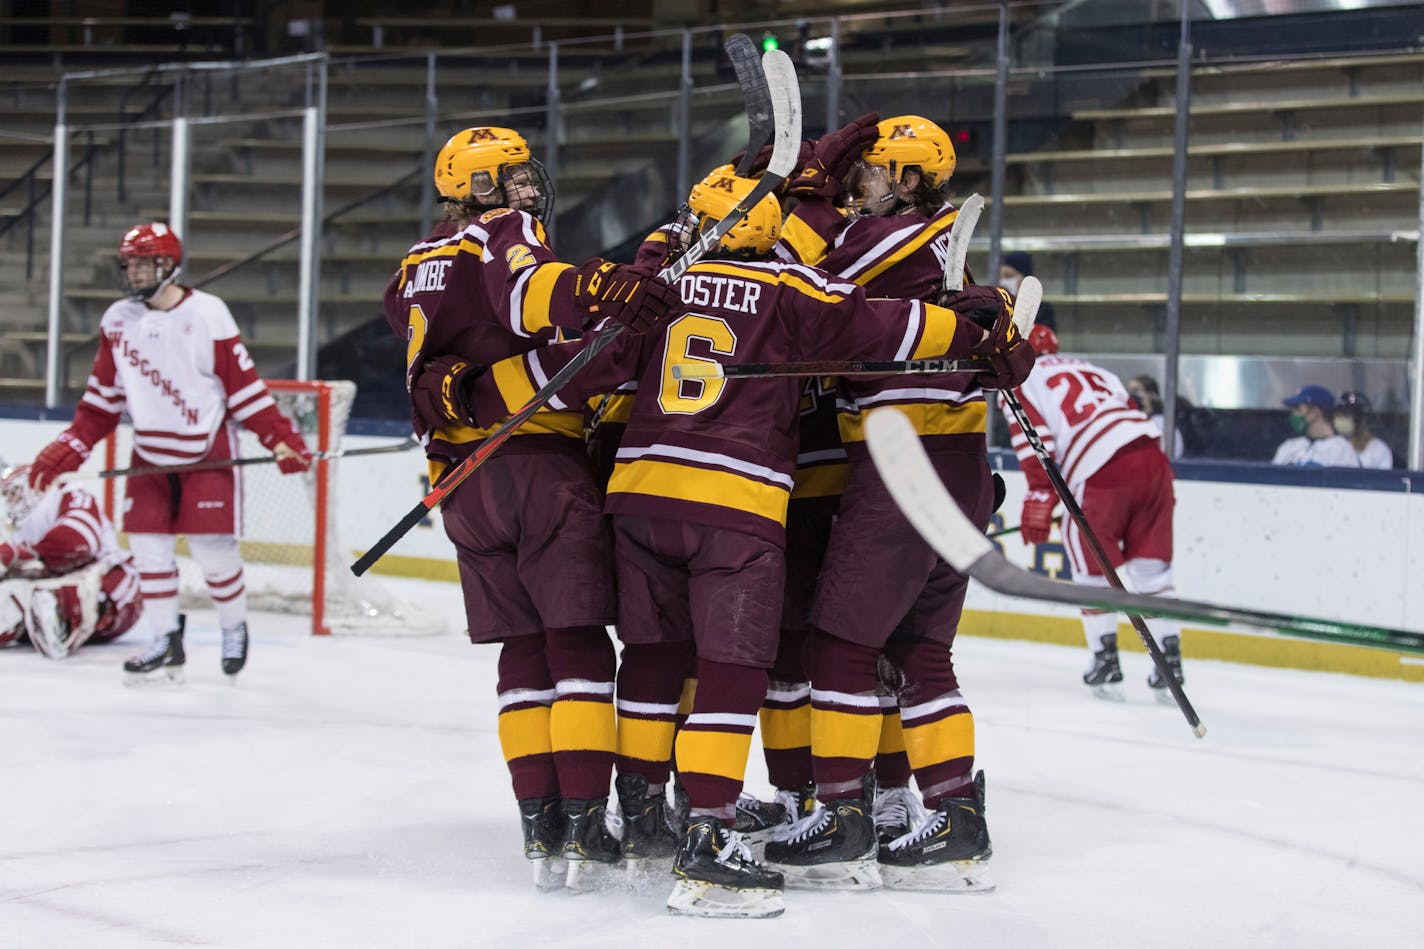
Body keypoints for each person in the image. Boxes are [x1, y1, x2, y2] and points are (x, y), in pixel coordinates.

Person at [462, 166, 1026, 917]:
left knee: (654, 661)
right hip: (737, 505)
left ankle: (643, 821)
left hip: (640, 502)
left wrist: (469, 398)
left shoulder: (658, 283)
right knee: (732, 676)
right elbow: (890, 326)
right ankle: (710, 839)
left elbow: (586, 365)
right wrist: (979, 331)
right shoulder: (795, 290)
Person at [384, 126, 679, 892]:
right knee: (575, 642)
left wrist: (491, 380)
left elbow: (446, 361)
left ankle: (539, 823)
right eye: (511, 177)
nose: (527, 188)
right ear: (479, 189)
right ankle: (585, 821)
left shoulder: (414, 264)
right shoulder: (505, 236)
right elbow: (529, 294)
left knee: (521, 652)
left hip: (463, 481)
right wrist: (593, 291)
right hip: (538, 469)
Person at [767, 114, 1032, 893]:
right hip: (959, 471)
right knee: (920, 651)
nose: (857, 187)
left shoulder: (891, 240)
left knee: (840, 645)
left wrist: (803, 188)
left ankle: (843, 813)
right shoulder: (945, 255)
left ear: (908, 180)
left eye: (872, 173)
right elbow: (994, 352)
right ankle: (954, 813)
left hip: (904, 470)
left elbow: (794, 283)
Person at [27, 222, 313, 682]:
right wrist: (69, 448)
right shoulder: (117, 320)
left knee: (213, 551)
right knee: (147, 550)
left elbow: (244, 390)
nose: (135, 273)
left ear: (169, 265)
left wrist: (280, 438)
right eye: (131, 264)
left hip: (207, 453)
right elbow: (101, 403)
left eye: (145, 264)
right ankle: (164, 640)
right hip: (149, 455)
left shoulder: (208, 314)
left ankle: (233, 626)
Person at [1007, 326, 1184, 703]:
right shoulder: (1098, 371)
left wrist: (1041, 498)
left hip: (1100, 469)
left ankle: (1105, 658)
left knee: (1092, 568)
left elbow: (1035, 440)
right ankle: (1170, 658)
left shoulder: (1021, 380)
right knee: (1151, 570)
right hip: (1152, 459)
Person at [1, 463, 141, 658]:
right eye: (7, 496)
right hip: (63, 590)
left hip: (114, 584)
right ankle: (48, 622)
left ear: (33, 486)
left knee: (81, 589)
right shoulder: (20, 532)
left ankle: (60, 617)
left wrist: (23, 554)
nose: (12, 501)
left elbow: (79, 541)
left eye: (15, 492)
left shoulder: (67, 493)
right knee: (13, 591)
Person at [1271, 385, 1360, 468]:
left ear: (1315, 412)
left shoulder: (1341, 449)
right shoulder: (1288, 446)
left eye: (1298, 409)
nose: (1294, 414)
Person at [1127, 374, 1184, 458]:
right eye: (1130, 391)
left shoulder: (1161, 422)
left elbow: (1174, 452)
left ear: (1152, 395)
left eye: (1136, 391)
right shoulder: (1128, 422)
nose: (1132, 396)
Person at [999, 251, 1057, 331]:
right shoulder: (997, 307)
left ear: (1025, 279)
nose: (1003, 281)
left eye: (1008, 276)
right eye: (1001, 277)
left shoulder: (1041, 311)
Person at [1334, 391, 1392, 469]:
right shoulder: (1332, 445)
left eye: (1345, 415)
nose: (1340, 420)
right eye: (1338, 415)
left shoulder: (1378, 450)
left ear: (1361, 419)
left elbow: (1383, 479)